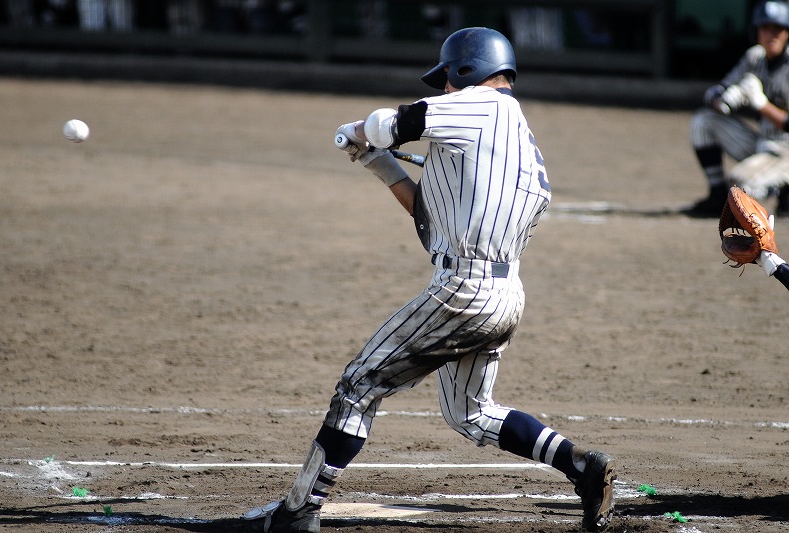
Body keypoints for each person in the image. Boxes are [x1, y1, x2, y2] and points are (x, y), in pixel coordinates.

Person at [243, 27, 616, 533]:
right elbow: (430, 221)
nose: (445, 89)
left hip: (464, 292)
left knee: (358, 386)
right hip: (503, 294)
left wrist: (357, 133)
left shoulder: (483, 106)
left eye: (448, 78)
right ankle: (580, 466)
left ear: (469, 69)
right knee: (471, 413)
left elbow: (391, 121)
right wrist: (378, 163)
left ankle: (297, 513)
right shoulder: (511, 136)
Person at [684, 0, 789, 218]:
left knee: (742, 186)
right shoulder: (754, 58)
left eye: (778, 29)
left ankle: (785, 190)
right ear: (756, 32)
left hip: (786, 152)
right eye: (766, 28)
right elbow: (715, 92)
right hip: (764, 145)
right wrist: (727, 99)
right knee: (704, 121)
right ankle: (716, 196)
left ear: (787, 33)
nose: (772, 35)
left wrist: (761, 104)